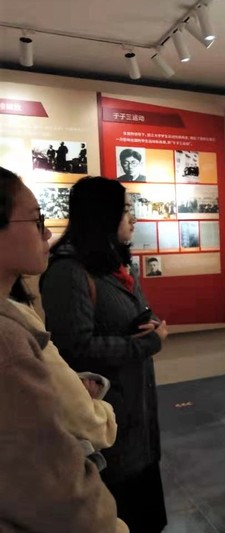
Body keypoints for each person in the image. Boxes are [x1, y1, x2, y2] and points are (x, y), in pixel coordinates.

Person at [41, 176, 169, 533]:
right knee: (121, 513)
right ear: (103, 215)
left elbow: (130, 313)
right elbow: (75, 347)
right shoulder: (68, 272)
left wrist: (148, 323)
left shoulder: (115, 263)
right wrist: (148, 343)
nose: (132, 218)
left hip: (137, 410)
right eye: (125, 210)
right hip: (108, 418)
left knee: (146, 513)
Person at [0, 167, 123, 531]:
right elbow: (60, 495)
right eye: (36, 220)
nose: (47, 232)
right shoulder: (8, 344)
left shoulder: (15, 319)